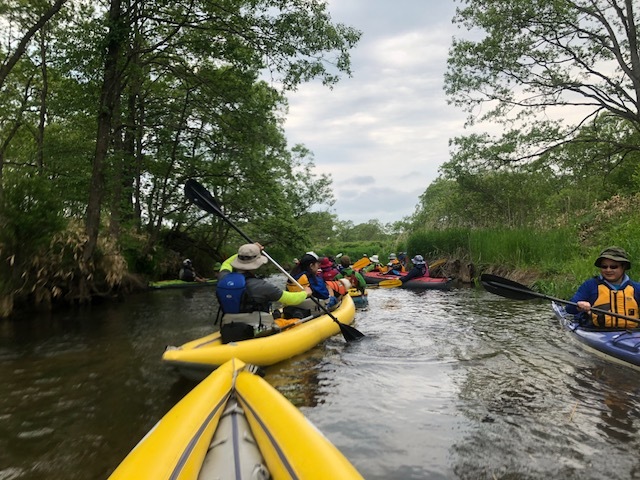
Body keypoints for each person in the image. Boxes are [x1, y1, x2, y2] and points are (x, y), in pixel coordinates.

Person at [216, 243, 313, 343]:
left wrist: (247, 251)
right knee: (295, 322)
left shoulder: (223, 278)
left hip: (229, 326)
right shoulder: (262, 286)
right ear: (257, 264)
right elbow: (290, 299)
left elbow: (226, 263)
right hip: (259, 329)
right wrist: (305, 293)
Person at [565, 246, 640, 328]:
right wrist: (579, 306)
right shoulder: (590, 285)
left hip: (632, 335)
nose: (608, 270)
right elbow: (569, 308)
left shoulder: (636, 288)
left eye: (613, 267)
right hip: (597, 332)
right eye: (604, 267)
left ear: (623, 267)